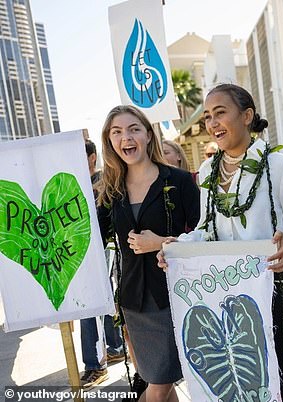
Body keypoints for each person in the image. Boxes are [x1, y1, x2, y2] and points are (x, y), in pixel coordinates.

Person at [158, 83, 283, 402]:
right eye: (207, 117)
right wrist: (178, 248)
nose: (213, 123)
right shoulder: (207, 171)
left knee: (276, 384)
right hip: (221, 293)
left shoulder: (279, 166)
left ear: (246, 116)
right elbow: (206, 228)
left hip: (268, 292)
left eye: (220, 113)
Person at [97, 105, 200, 402]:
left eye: (133, 129)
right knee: (160, 382)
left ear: (147, 135)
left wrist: (162, 243)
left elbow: (205, 235)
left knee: (160, 383)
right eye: (117, 132)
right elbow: (92, 237)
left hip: (178, 295)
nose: (126, 137)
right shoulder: (111, 191)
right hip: (134, 302)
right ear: (110, 142)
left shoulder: (178, 181)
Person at [79, 139, 125, 388]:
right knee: (100, 301)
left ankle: (96, 366)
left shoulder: (104, 181)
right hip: (82, 251)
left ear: (92, 157)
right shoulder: (74, 180)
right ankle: (115, 346)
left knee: (92, 304)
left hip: (101, 248)